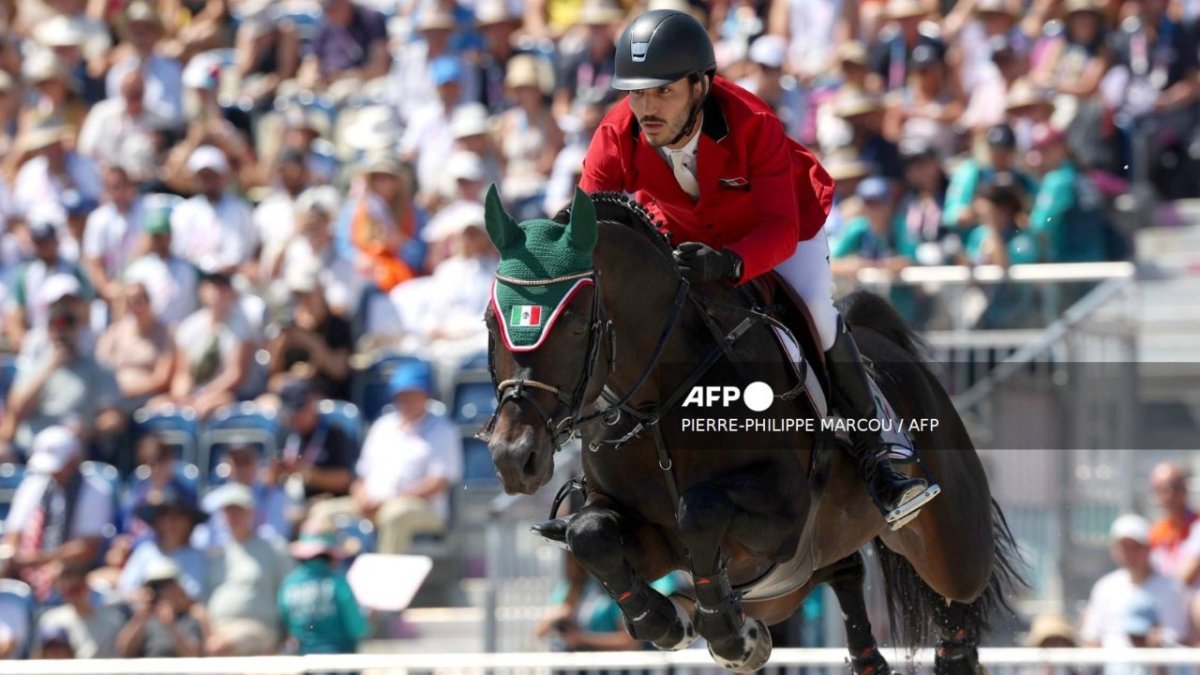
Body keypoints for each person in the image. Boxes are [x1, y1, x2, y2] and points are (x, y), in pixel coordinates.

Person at [578, 9, 937, 527]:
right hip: (689, 233)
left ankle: (884, 455)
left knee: (815, 312)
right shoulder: (617, 134)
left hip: (781, 229)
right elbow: (586, 229)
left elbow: (777, 229)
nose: (646, 108)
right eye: (636, 93)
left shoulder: (754, 124)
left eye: (662, 92)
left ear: (700, 86)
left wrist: (730, 262)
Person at [309, 359, 461, 554]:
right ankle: (328, 577)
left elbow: (439, 482)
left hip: (421, 508)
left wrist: (391, 499)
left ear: (426, 394)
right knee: (321, 512)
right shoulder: (383, 426)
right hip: (372, 503)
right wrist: (361, 496)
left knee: (394, 514)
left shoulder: (443, 430)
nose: (405, 401)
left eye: (412, 394)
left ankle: (385, 581)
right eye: (401, 395)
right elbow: (361, 475)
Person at [2, 427, 115, 603]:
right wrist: (13, 557)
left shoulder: (96, 490)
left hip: (71, 568)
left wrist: (38, 560)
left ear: (73, 460)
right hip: (25, 565)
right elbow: (13, 535)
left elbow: (87, 548)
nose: (53, 473)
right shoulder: (32, 485)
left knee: (60, 572)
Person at [204, 483, 292, 656]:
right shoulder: (217, 555)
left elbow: (289, 589)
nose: (233, 516)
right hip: (216, 630)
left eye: (238, 511)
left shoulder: (273, 548)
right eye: (228, 511)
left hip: (258, 628)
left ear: (251, 513)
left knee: (218, 648)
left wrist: (288, 634)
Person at [1080, 514, 1190, 651]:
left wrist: (1155, 643)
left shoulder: (1171, 588)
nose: (1128, 553)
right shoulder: (1105, 587)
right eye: (1123, 547)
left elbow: (1180, 638)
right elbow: (1091, 638)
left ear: (1148, 548)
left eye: (1135, 547)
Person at [278, 523, 367, 655]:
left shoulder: (289, 584)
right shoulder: (337, 582)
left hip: (303, 662)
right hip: (340, 663)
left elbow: (285, 623)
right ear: (332, 555)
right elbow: (358, 628)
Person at [270, 379, 356, 503]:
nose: (295, 417)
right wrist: (275, 473)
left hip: (326, 501)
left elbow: (345, 480)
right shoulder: (286, 432)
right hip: (288, 502)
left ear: (312, 403)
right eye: (291, 413)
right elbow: (269, 479)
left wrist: (306, 473)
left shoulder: (334, 434)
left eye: (299, 410)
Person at [115, 558, 209, 658]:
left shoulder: (190, 617)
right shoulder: (143, 621)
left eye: (166, 585)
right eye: (155, 587)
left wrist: (170, 627)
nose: (161, 592)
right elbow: (124, 650)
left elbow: (193, 655)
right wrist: (140, 618)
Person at [37, 563, 123, 658]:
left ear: (87, 586)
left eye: (76, 589)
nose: (72, 596)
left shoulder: (113, 620)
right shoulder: (51, 620)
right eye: (65, 590)